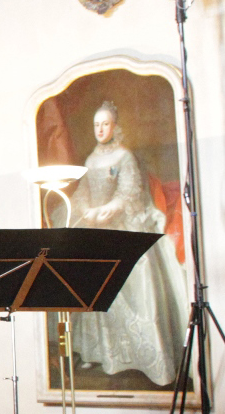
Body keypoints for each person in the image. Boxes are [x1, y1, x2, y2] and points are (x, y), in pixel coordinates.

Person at [67, 101, 188, 386]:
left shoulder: (125, 156)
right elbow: (83, 190)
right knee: (92, 283)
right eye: (96, 125)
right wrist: (86, 209)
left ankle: (142, 356)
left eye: (105, 124)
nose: (100, 130)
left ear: (114, 126)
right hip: (95, 226)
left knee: (132, 277)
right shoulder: (90, 160)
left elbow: (129, 192)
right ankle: (97, 352)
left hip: (120, 225)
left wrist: (108, 210)